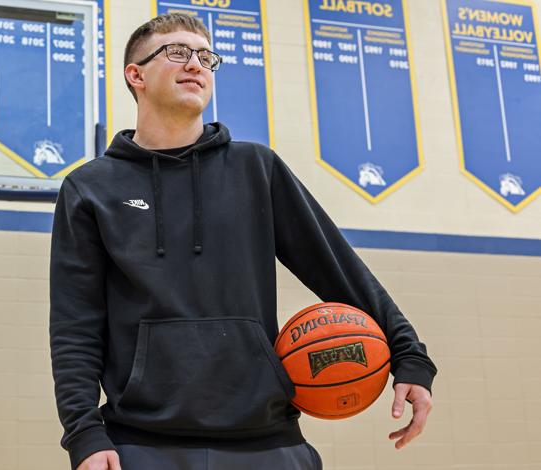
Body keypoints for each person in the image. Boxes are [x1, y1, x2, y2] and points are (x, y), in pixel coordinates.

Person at [49, 12, 436, 470]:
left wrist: (409, 355)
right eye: (176, 52)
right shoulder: (91, 188)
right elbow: (76, 325)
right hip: (139, 444)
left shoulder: (257, 169)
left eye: (205, 56)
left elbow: (338, 267)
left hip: (268, 442)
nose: (196, 64)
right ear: (136, 75)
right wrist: (83, 432)